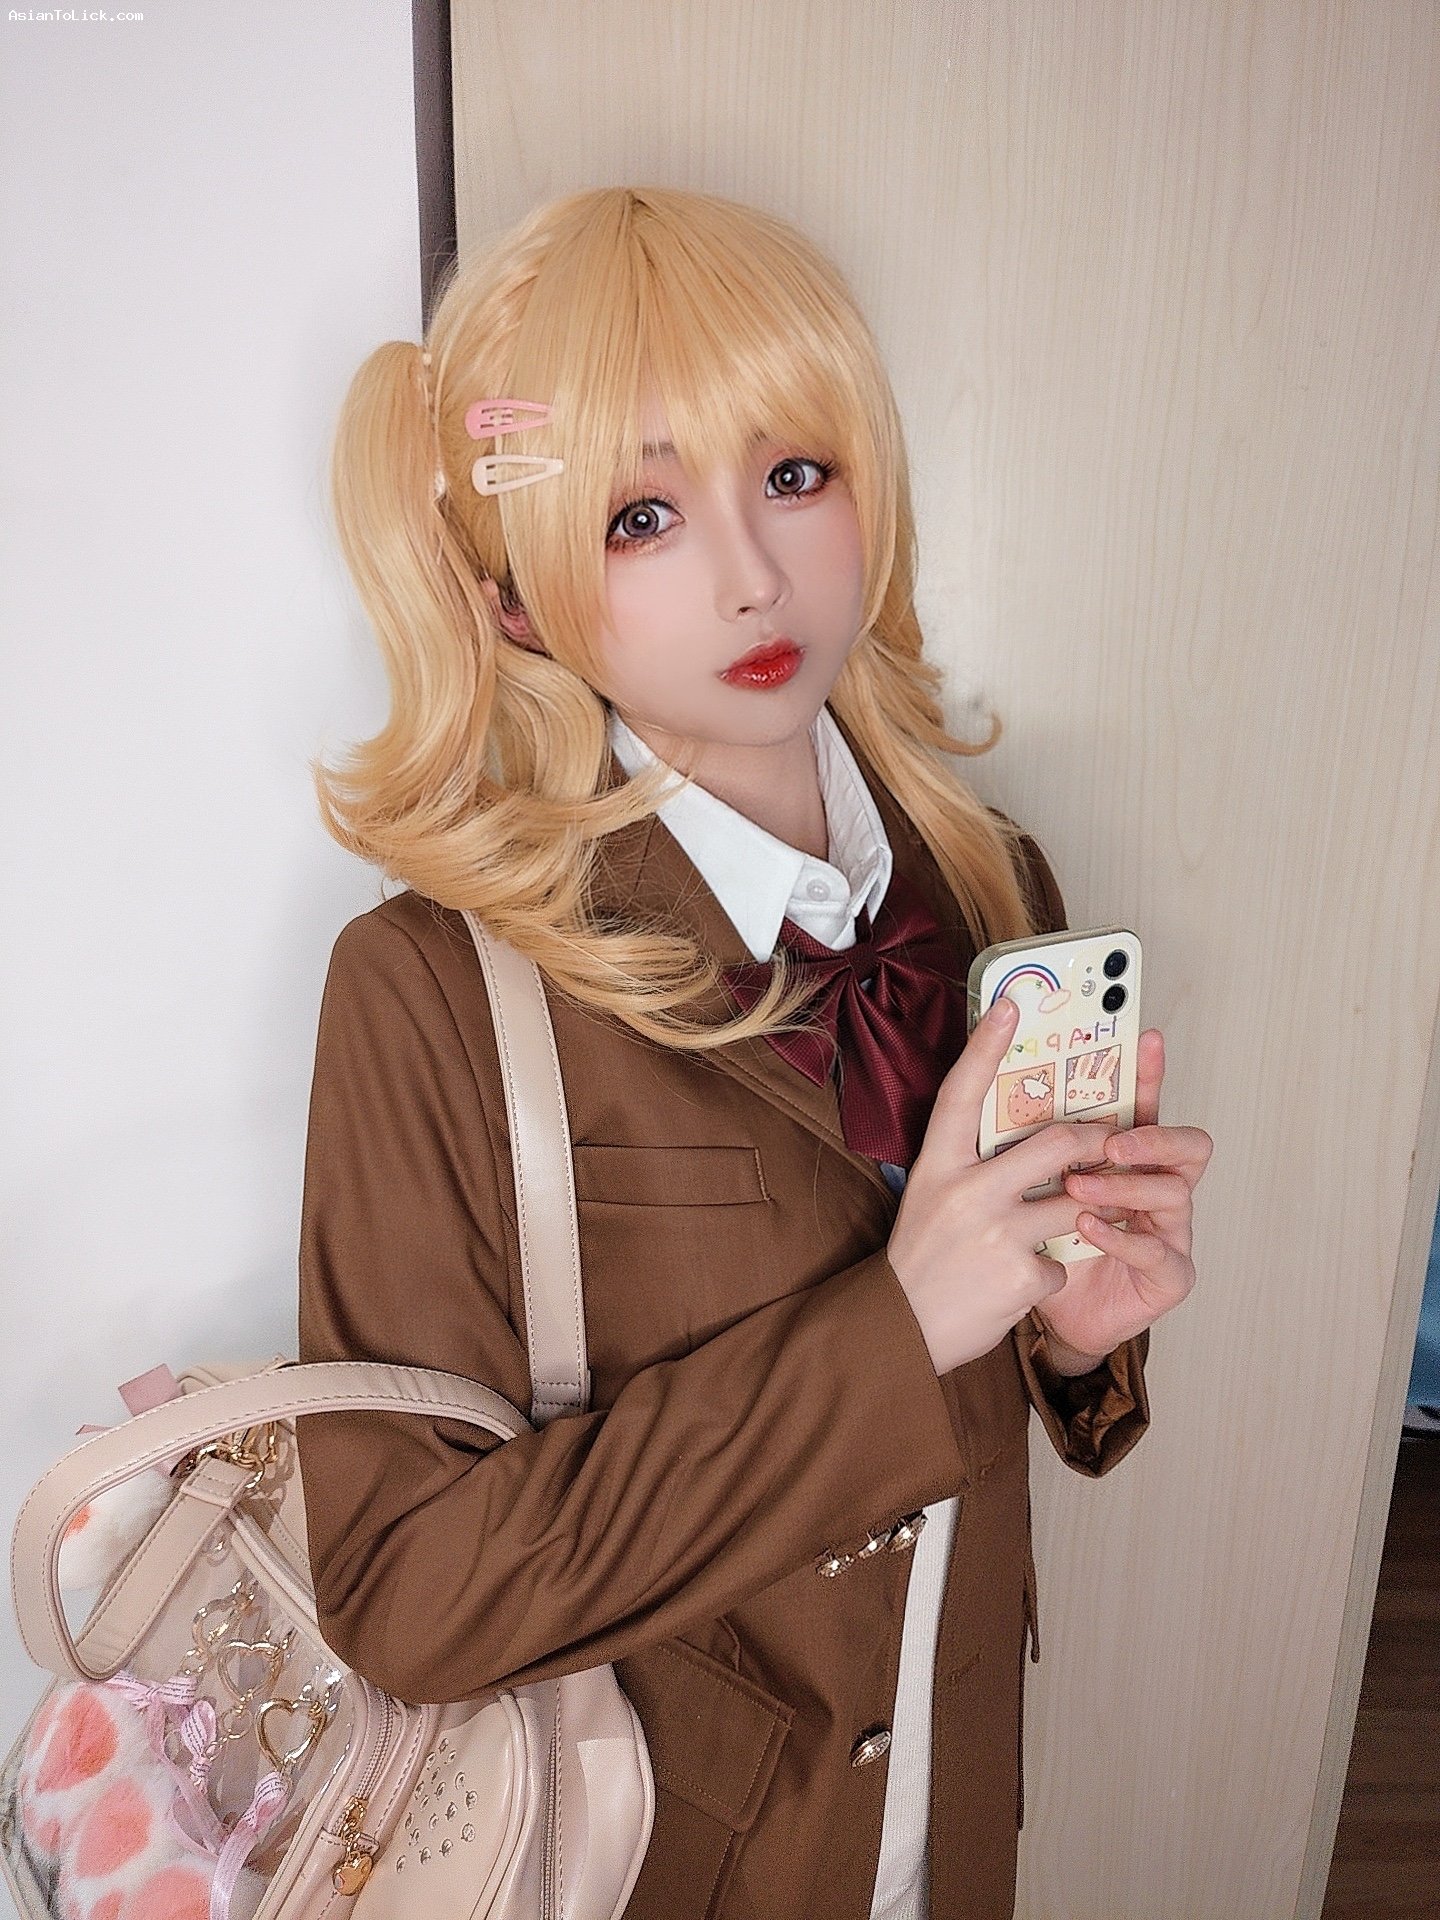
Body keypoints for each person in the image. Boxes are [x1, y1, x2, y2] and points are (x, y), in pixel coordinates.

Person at [295, 185, 1212, 1920]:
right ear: (514, 604)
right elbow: (410, 1588)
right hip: (669, 1857)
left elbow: (998, 1361)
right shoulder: (429, 988)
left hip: (958, 1810)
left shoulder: (993, 888)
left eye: (794, 473)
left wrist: (1075, 1336)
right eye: (641, 515)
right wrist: (899, 1326)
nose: (752, 574)